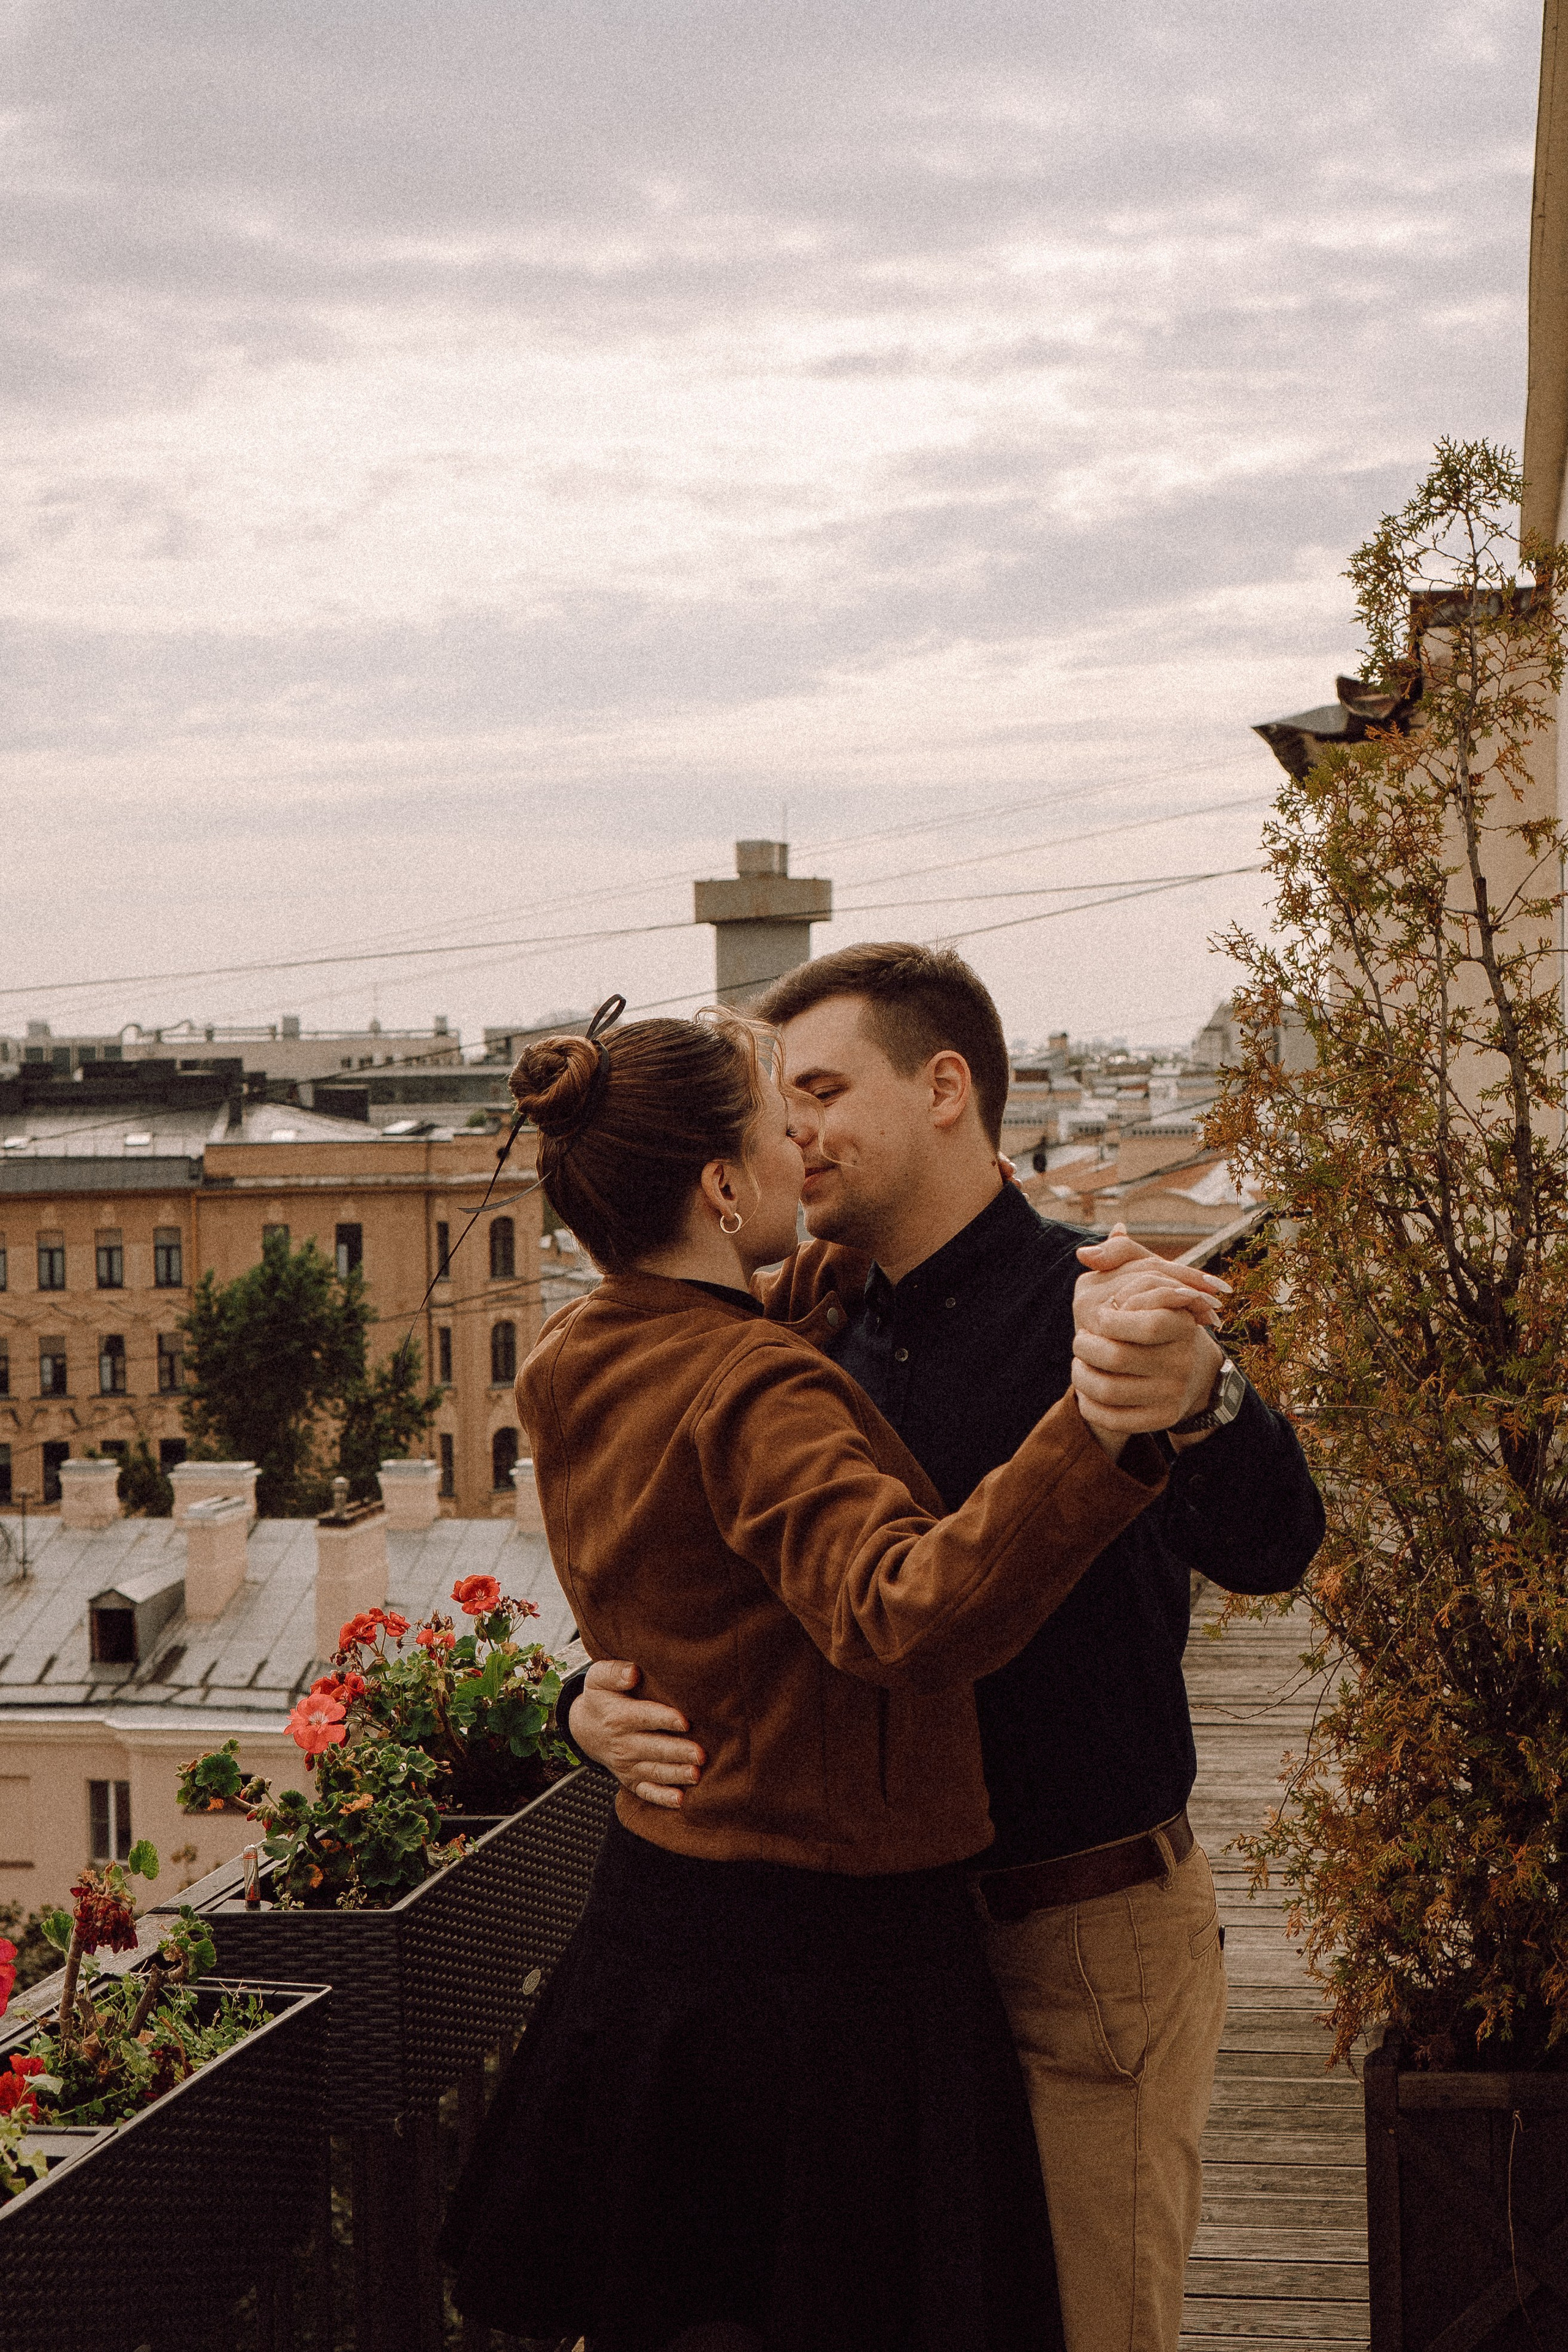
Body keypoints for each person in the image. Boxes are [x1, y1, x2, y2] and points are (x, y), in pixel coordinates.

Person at [563, 945, 1325, 2352]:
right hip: (872, 1974)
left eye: (826, 1089)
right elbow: (680, 1555)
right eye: (777, 1101)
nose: (792, 1129)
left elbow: (1276, 1548)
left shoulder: (1086, 1302)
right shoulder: (809, 1316)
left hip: (1073, 1944)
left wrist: (1207, 1399)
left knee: (1092, 2325)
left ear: (945, 1090)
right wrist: (584, 1702)